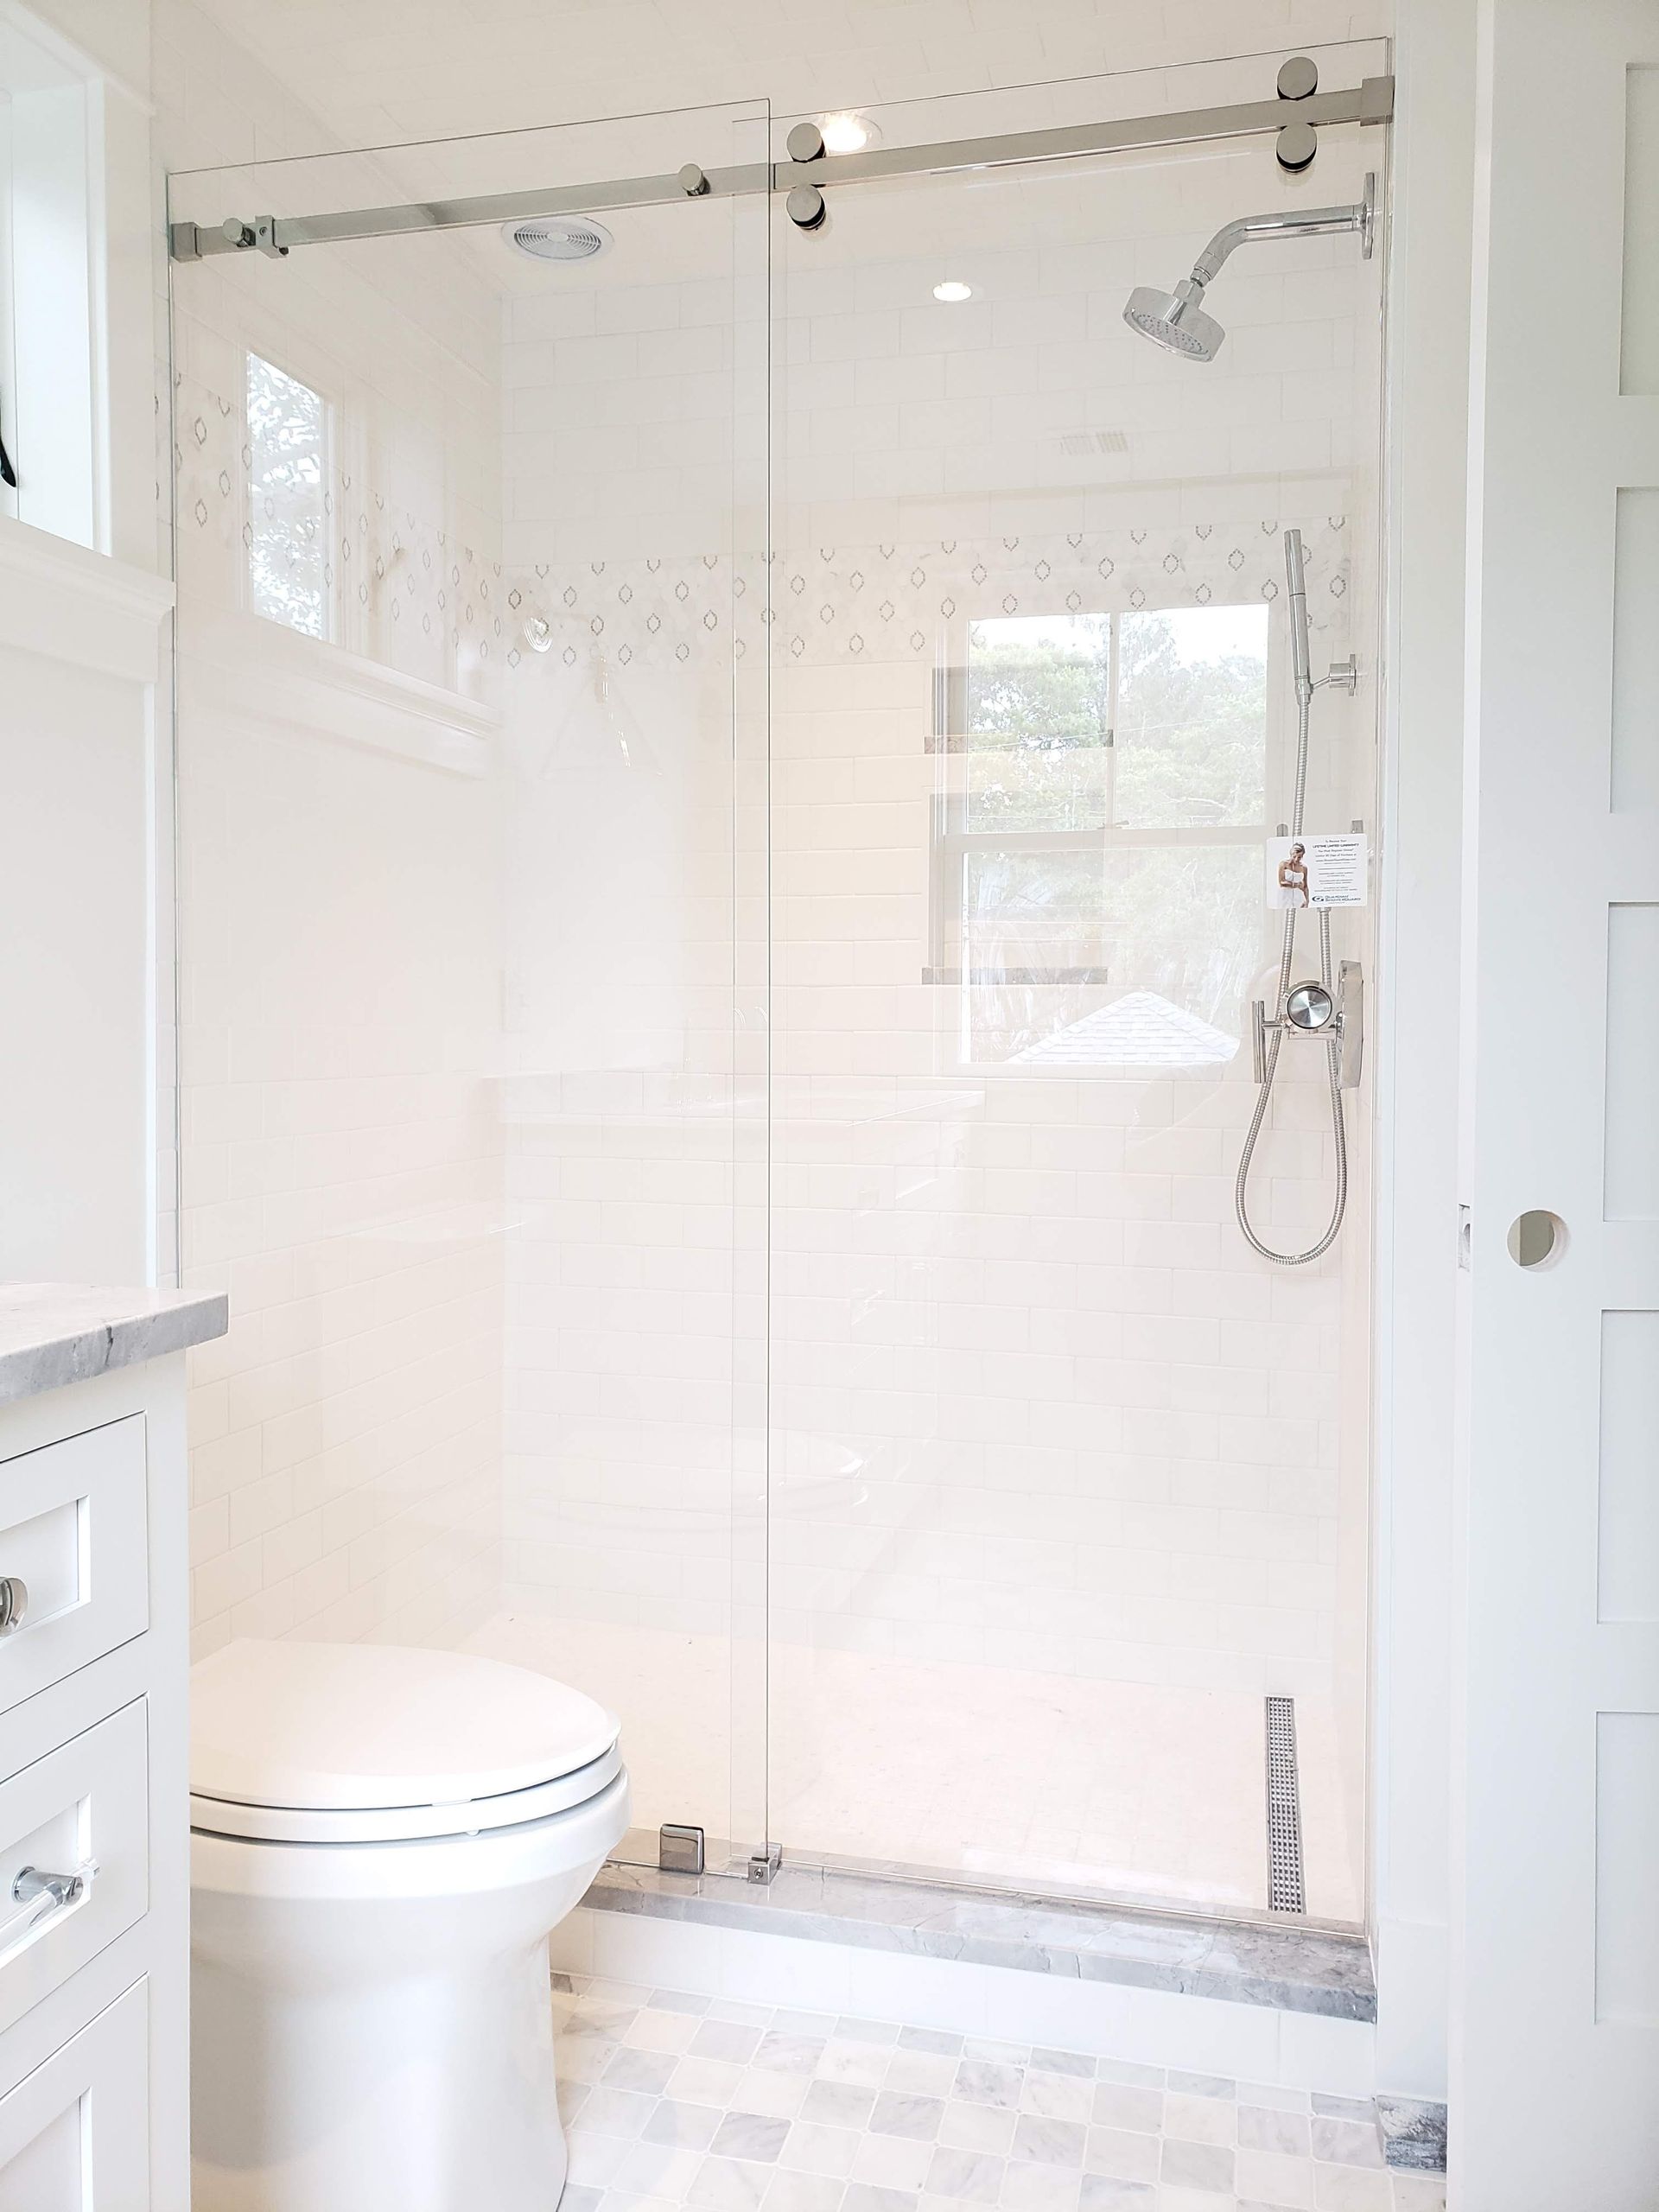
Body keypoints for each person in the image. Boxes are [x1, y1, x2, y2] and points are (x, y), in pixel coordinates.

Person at [1277, 841, 1310, 906]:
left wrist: (1307, 901)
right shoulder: (1283, 864)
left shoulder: (1304, 868)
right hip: (1285, 897)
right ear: (1291, 854)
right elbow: (1281, 882)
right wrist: (1296, 885)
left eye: (1299, 857)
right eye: (1294, 856)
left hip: (1298, 897)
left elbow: (1305, 886)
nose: (1296, 859)